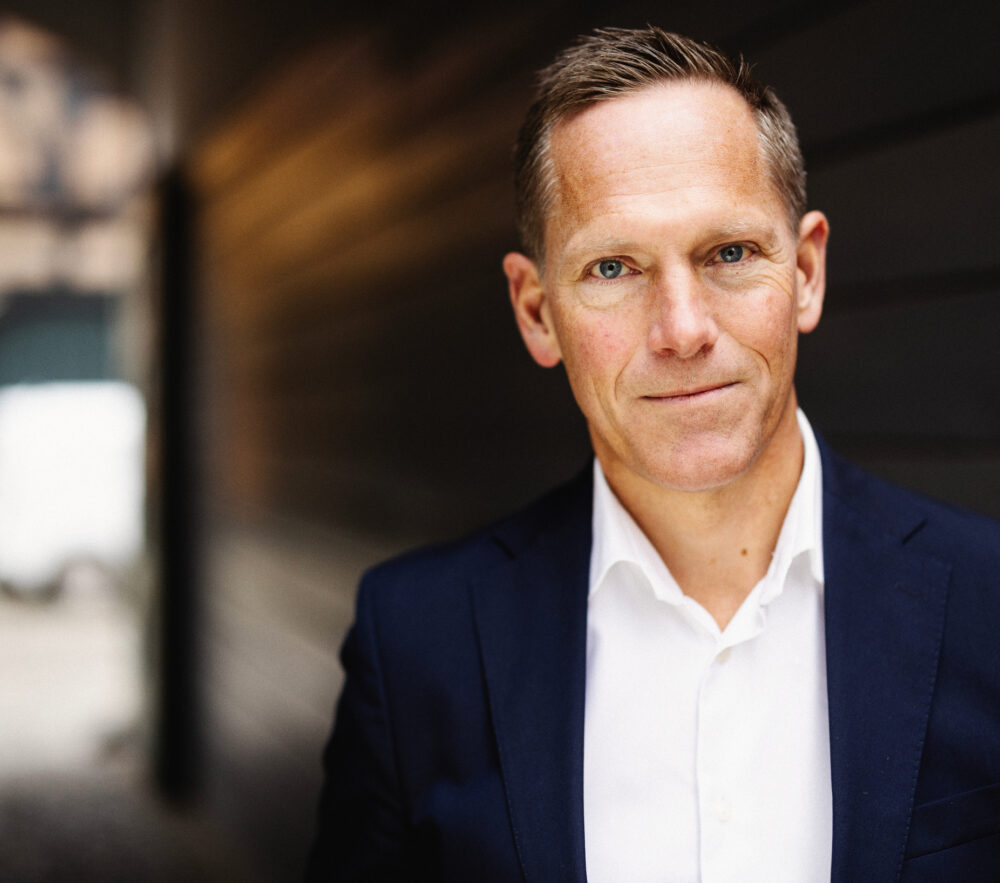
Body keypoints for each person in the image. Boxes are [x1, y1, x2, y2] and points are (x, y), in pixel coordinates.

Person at [306, 26, 1000, 882]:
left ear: (806, 271)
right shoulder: (415, 641)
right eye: (613, 267)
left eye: (730, 253)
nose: (683, 329)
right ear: (536, 311)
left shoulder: (990, 605)